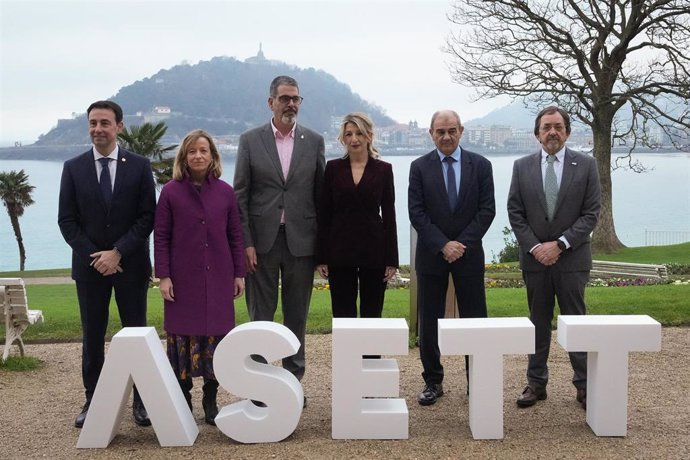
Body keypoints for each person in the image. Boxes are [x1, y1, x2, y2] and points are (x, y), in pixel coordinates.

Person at [58, 100, 156, 428]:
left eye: (104, 123)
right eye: (93, 123)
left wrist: (118, 252)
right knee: (93, 336)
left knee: (136, 333)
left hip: (131, 266)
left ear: (120, 126)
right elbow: (67, 221)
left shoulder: (140, 166)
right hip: (90, 271)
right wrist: (97, 258)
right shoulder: (73, 168)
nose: (98, 129)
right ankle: (94, 400)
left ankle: (142, 402)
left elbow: (147, 218)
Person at [233, 76, 325, 403]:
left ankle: (292, 382)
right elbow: (240, 196)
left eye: (296, 99)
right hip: (261, 243)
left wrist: (322, 248)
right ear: (270, 101)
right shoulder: (250, 140)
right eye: (285, 98)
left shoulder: (313, 141)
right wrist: (245, 243)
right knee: (261, 315)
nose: (291, 104)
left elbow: (320, 196)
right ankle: (259, 384)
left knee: (296, 315)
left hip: (302, 241)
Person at [507, 106, 601, 410]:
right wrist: (536, 248)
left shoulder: (586, 165)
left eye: (558, 127)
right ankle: (536, 384)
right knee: (537, 321)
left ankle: (585, 385)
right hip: (535, 261)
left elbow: (591, 214)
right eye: (546, 127)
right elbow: (515, 213)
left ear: (568, 132)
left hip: (572, 260)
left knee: (576, 322)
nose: (552, 132)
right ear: (537, 134)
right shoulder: (521, 167)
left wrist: (559, 245)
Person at [154, 129, 246, 425]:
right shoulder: (170, 191)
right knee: (182, 338)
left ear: (212, 156)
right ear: (184, 156)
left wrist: (238, 274)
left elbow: (235, 235)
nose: (198, 156)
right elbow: (161, 237)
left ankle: (210, 398)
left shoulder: (225, 191)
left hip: (219, 276)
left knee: (216, 338)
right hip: (182, 280)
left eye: (203, 150)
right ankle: (183, 399)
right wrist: (164, 276)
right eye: (192, 151)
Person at [408, 110, 496, 406]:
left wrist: (461, 244)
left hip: (469, 256)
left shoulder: (481, 165)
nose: (446, 136)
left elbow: (487, 210)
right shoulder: (419, 167)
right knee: (429, 321)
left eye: (451, 131)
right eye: (440, 131)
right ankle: (433, 380)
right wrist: (443, 245)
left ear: (461, 130)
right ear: (430, 133)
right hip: (432, 256)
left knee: (476, 320)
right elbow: (416, 213)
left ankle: (477, 380)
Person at [316, 112, 399, 320]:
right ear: (342, 139)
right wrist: (322, 257)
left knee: (372, 313)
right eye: (349, 134)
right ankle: (346, 354)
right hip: (339, 251)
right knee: (343, 314)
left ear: (369, 136)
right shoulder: (333, 168)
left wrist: (392, 259)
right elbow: (324, 213)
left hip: (375, 251)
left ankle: (371, 354)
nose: (354, 139)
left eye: (359, 133)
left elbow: (389, 215)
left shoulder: (383, 170)